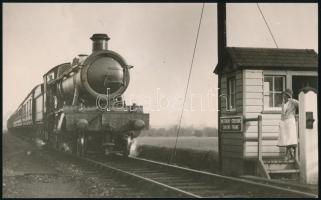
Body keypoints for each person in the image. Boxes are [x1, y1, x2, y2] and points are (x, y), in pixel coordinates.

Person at [277, 88, 299, 161]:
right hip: (284, 122)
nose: (283, 96)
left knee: (290, 138)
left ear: (287, 95)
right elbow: (282, 113)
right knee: (286, 138)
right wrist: (281, 122)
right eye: (283, 94)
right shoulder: (283, 103)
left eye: (284, 94)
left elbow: (301, 105)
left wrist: (297, 115)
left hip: (290, 121)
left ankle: (287, 155)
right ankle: (291, 154)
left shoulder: (293, 101)